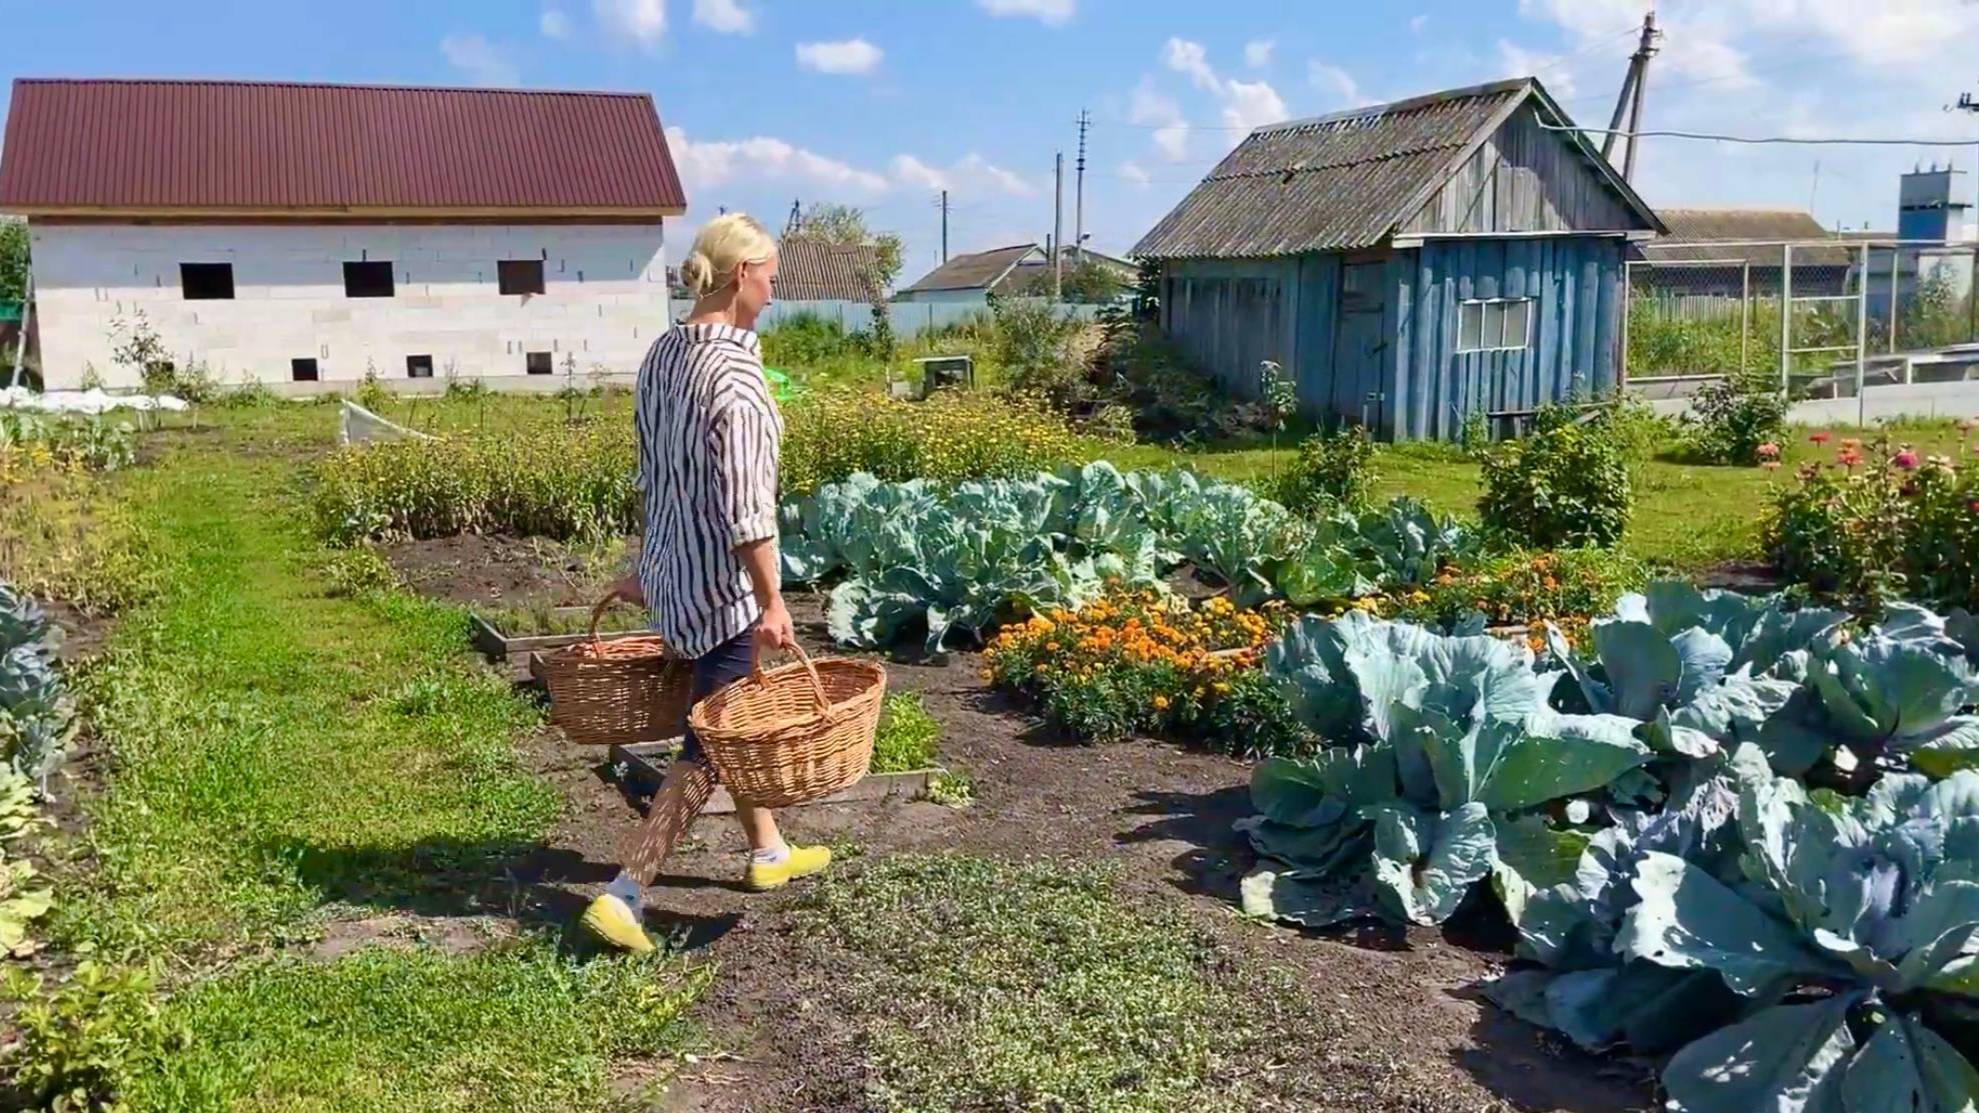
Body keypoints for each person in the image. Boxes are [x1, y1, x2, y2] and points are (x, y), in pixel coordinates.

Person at [580, 212, 830, 953]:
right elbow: (747, 510)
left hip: (674, 578)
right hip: (724, 594)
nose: (774, 293)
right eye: (771, 278)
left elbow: (657, 474)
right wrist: (772, 600)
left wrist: (649, 564)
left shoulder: (662, 355)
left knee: (728, 716)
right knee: (710, 745)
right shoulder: (738, 378)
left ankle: (768, 850)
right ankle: (626, 893)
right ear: (742, 275)